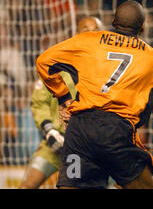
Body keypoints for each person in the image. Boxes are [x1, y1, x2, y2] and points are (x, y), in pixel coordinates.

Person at [35, 0, 153, 189]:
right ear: (143, 28)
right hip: (115, 132)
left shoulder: (88, 41)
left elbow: (43, 61)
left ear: (113, 22)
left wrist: (63, 98)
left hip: (80, 131)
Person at [19, 16, 104, 189]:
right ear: (76, 34)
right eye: (86, 30)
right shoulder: (55, 62)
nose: (90, 34)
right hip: (53, 143)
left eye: (96, 30)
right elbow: (39, 102)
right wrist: (49, 130)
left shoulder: (107, 67)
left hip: (87, 147)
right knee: (27, 185)